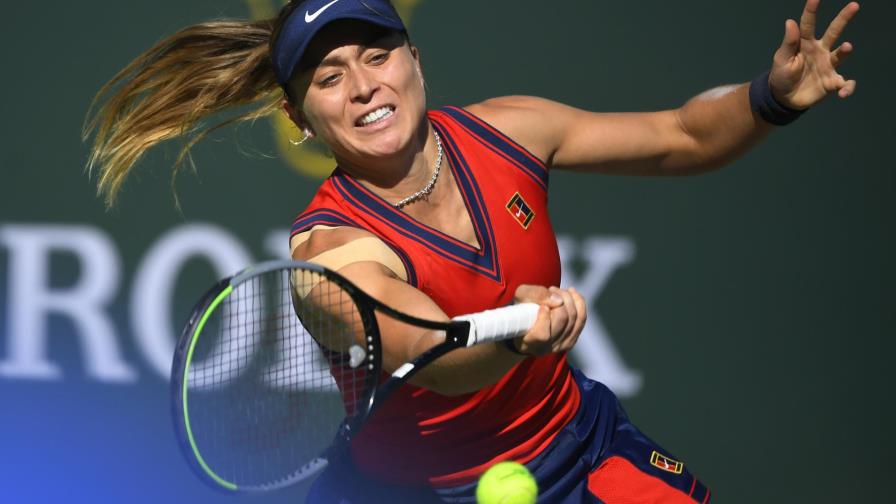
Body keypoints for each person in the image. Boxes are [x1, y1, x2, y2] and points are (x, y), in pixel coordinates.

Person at [84, 0, 859, 502]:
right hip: (412, 493)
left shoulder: (509, 130)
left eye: (377, 55)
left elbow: (681, 136)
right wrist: (515, 334)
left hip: (577, 447)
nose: (363, 86)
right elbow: (429, 352)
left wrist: (769, 98)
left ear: (415, 60)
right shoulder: (332, 254)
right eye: (328, 77)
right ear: (299, 117)